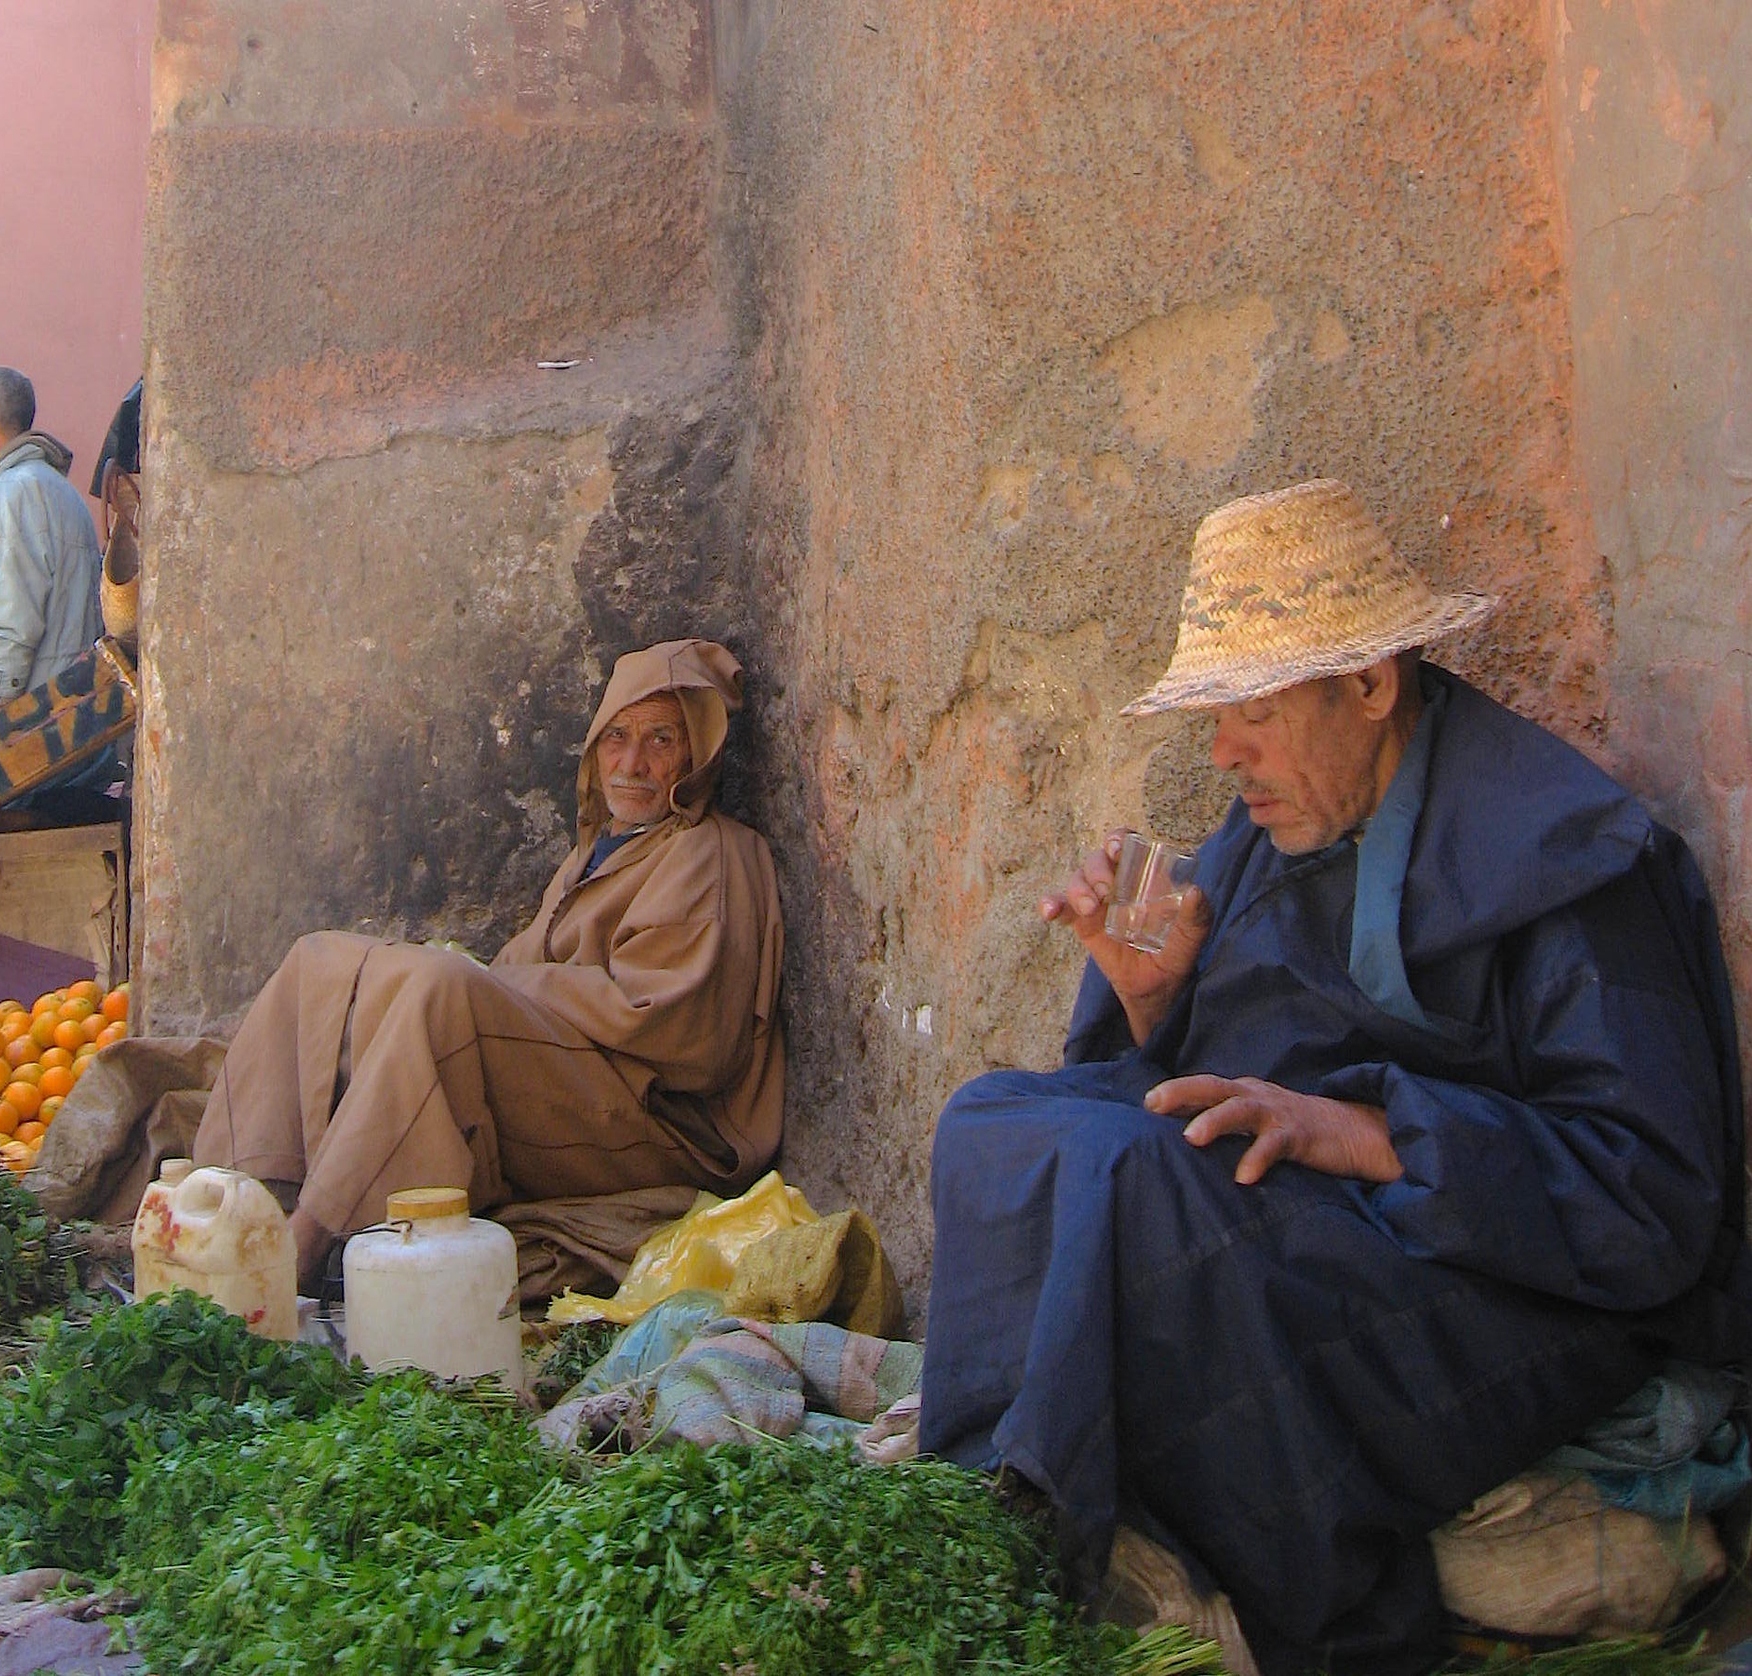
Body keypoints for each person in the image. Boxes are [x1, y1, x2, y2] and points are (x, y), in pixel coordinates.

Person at [919, 480, 1749, 1675]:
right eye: (1214, 713)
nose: (1221, 753)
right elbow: (1216, 1080)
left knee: (1136, 1185)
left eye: (1250, 708)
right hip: (1327, 1233)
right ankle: (1004, 1501)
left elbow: (1651, 1205)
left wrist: (1366, 1133)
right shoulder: (1278, 820)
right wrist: (1156, 996)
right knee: (992, 1119)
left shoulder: (1569, 862)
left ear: (1367, 686)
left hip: (1510, 1292)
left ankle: (1302, 1611)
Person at [193, 639, 786, 1292]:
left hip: (653, 1126)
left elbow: (680, 1035)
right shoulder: (600, 853)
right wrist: (479, 977)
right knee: (324, 959)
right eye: (616, 736)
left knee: (444, 993)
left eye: (661, 739)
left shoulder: (710, 854)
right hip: (571, 1084)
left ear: (696, 754)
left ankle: (310, 1240)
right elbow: (514, 970)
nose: (633, 763)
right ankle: (233, 1202)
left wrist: (497, 984)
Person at [0, 366, 105, 735]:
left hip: (26, 732)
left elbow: (13, 609)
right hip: (62, 720)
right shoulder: (53, 489)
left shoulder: (16, 494)